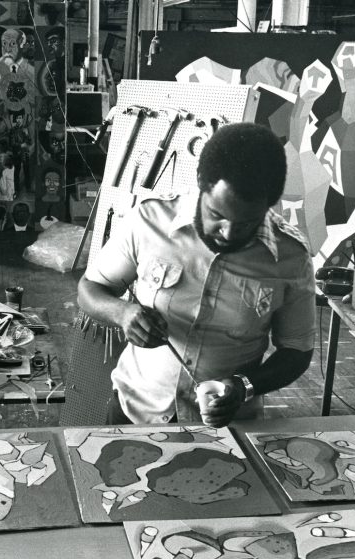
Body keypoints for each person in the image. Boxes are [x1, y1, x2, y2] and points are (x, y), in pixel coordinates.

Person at [77, 122, 316, 427]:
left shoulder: (290, 256)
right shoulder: (150, 221)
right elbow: (90, 288)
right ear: (202, 185)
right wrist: (122, 312)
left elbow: (297, 351)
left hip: (229, 426)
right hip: (135, 414)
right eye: (217, 215)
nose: (228, 233)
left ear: (268, 206)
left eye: (246, 223)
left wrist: (245, 386)